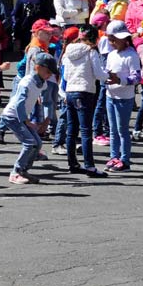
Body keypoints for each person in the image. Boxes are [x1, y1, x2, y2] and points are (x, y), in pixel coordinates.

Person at [4, 52, 58, 185]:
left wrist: (46, 119)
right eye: (48, 71)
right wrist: (26, 121)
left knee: (37, 143)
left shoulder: (42, 83)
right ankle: (15, 172)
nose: (50, 75)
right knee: (29, 142)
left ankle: (23, 170)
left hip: (22, 117)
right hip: (12, 116)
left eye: (51, 73)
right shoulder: (26, 82)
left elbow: (43, 101)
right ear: (38, 67)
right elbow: (19, 103)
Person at [60, 24, 105, 176]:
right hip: (85, 91)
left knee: (71, 130)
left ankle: (72, 163)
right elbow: (99, 74)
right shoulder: (91, 51)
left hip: (70, 91)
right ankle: (89, 166)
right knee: (86, 131)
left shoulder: (68, 51)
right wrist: (109, 75)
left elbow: (65, 76)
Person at [103, 20, 141, 172]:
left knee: (122, 130)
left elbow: (137, 78)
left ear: (125, 38)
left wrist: (120, 80)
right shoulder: (111, 55)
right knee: (112, 129)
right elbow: (107, 71)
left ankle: (125, 160)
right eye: (110, 39)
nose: (112, 42)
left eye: (115, 39)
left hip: (124, 98)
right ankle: (114, 156)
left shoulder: (131, 55)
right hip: (110, 95)